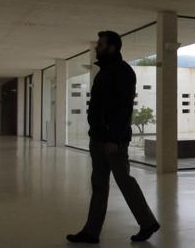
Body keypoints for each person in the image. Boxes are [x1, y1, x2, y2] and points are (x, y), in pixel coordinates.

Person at [67, 31, 160, 244]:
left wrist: (114, 138)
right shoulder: (104, 71)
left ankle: (147, 222)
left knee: (124, 181)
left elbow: (123, 109)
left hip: (111, 141)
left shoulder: (123, 72)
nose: (96, 47)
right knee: (99, 185)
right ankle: (91, 232)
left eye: (100, 44)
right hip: (98, 138)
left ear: (111, 47)